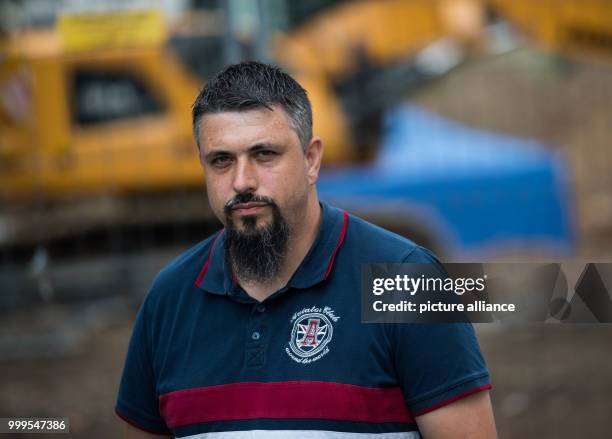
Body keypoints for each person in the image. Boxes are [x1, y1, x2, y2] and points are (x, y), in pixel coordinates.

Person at [116, 61, 497, 439]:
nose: (242, 181)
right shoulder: (168, 298)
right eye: (221, 161)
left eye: (264, 154)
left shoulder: (408, 279)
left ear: (311, 159)